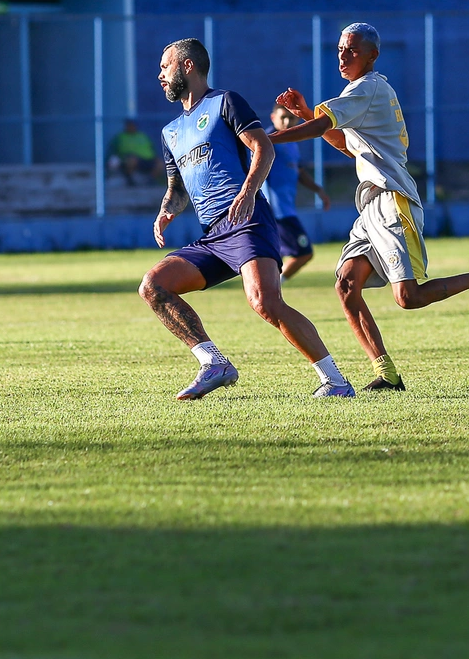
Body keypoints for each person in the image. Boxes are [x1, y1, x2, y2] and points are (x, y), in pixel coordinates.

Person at [271, 22, 469, 391]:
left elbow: (321, 128)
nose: (343, 56)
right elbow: (343, 143)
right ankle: (387, 374)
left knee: (408, 298)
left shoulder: (368, 88)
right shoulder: (362, 93)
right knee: (347, 286)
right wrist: (305, 114)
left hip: (391, 200)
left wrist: (262, 140)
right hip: (370, 206)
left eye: (351, 50)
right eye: (339, 50)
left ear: (372, 55)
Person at [139, 38, 354, 400]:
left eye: (165, 66)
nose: (159, 75)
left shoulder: (225, 102)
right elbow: (176, 189)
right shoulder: (170, 132)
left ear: (187, 66)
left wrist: (248, 192)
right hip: (213, 235)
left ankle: (336, 382)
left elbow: (263, 147)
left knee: (265, 302)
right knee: (153, 286)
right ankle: (213, 363)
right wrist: (166, 210)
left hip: (247, 220)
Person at [264, 105, 332, 281]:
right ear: (273, 118)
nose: (287, 122)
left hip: (285, 209)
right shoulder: (268, 141)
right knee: (304, 252)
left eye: (291, 118)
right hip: (276, 210)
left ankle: (270, 288)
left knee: (274, 256)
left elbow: (299, 171)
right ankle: (273, 288)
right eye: (283, 118)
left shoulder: (291, 142)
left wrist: (318, 189)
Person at [108, 119, 163, 185]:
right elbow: (114, 150)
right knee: (132, 160)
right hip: (131, 158)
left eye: (133, 126)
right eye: (129, 126)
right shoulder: (121, 137)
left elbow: (152, 148)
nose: (131, 127)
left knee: (160, 163)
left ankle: (150, 180)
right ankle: (130, 180)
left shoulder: (143, 136)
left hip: (147, 159)